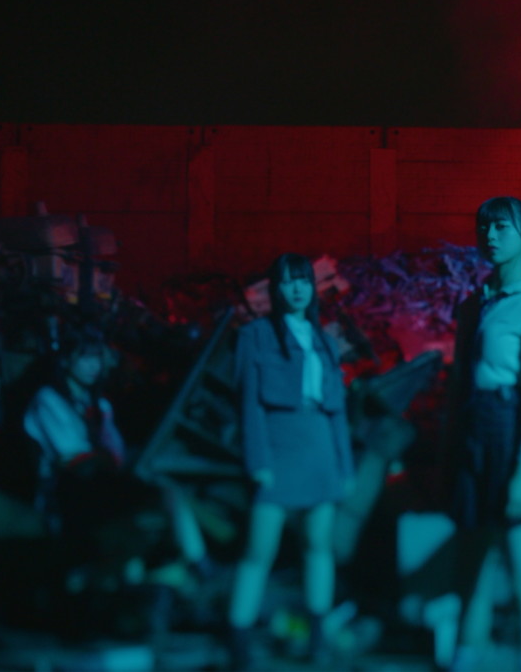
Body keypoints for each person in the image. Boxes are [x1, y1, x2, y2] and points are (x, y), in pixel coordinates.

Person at [447, 196, 521, 672]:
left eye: (501, 227)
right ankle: (465, 657)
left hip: (512, 435)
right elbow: (460, 382)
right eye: (483, 227)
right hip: (475, 435)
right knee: (471, 568)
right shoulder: (475, 304)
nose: (489, 236)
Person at [23, 328, 209, 622]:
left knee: (164, 498)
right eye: (85, 358)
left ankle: (189, 568)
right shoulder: (48, 400)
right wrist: (109, 461)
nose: (93, 366)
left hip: (101, 486)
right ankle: (195, 565)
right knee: (161, 498)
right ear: (67, 361)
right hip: (67, 492)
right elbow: (73, 459)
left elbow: (115, 454)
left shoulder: (100, 405)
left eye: (97, 359)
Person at [227, 254, 355, 669]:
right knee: (259, 549)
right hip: (279, 445)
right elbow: (248, 405)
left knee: (319, 545)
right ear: (275, 289)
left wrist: (345, 465)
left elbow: (337, 411)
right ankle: (239, 639)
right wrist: (258, 461)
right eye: (286, 282)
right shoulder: (255, 336)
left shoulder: (324, 340)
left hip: (319, 446)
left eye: (303, 281)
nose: (296, 289)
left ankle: (318, 636)